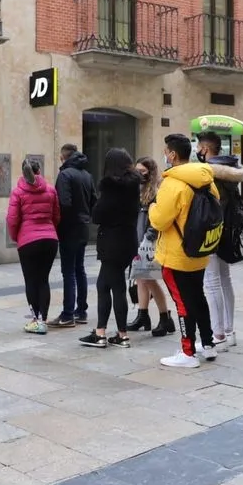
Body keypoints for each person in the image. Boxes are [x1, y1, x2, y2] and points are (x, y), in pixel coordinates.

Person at [149, 134, 220, 368]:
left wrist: (151, 207)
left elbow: (159, 220)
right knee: (198, 297)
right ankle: (208, 344)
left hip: (177, 255)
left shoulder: (173, 183)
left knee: (182, 303)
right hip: (199, 251)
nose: (165, 155)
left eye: (165, 151)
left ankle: (187, 352)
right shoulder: (206, 179)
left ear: (172, 154)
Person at [79, 148, 140, 349]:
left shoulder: (112, 187)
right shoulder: (133, 186)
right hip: (128, 241)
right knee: (104, 285)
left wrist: (97, 204)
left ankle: (121, 335)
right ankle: (101, 332)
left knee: (117, 288)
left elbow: (97, 215)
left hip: (112, 243)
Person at [197, 131, 243, 350]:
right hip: (229, 230)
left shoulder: (209, 172)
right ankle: (229, 331)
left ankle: (218, 334)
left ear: (205, 149)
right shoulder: (232, 169)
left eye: (198, 147)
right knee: (225, 280)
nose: (197, 151)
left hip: (212, 230)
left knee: (212, 282)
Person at [7, 158, 60, 334]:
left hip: (28, 241)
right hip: (50, 239)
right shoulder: (51, 190)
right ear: (39, 171)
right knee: (43, 279)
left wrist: (17, 237)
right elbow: (56, 215)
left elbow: (13, 219)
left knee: (31, 280)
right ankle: (43, 320)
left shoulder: (18, 192)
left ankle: (36, 319)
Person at [127, 156, 176, 337]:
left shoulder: (156, 190)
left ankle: (165, 317)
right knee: (140, 278)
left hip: (150, 241)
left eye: (143, 171)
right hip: (137, 239)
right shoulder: (135, 188)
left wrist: (149, 237)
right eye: (137, 171)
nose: (139, 174)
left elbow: (158, 217)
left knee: (149, 279)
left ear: (150, 172)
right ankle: (143, 315)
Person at [51, 143, 97, 327]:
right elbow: (94, 200)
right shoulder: (87, 175)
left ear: (63, 157)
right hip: (83, 227)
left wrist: (60, 223)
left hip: (69, 228)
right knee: (80, 269)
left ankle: (67, 314)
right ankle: (81, 311)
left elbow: (63, 203)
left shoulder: (65, 175)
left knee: (68, 271)